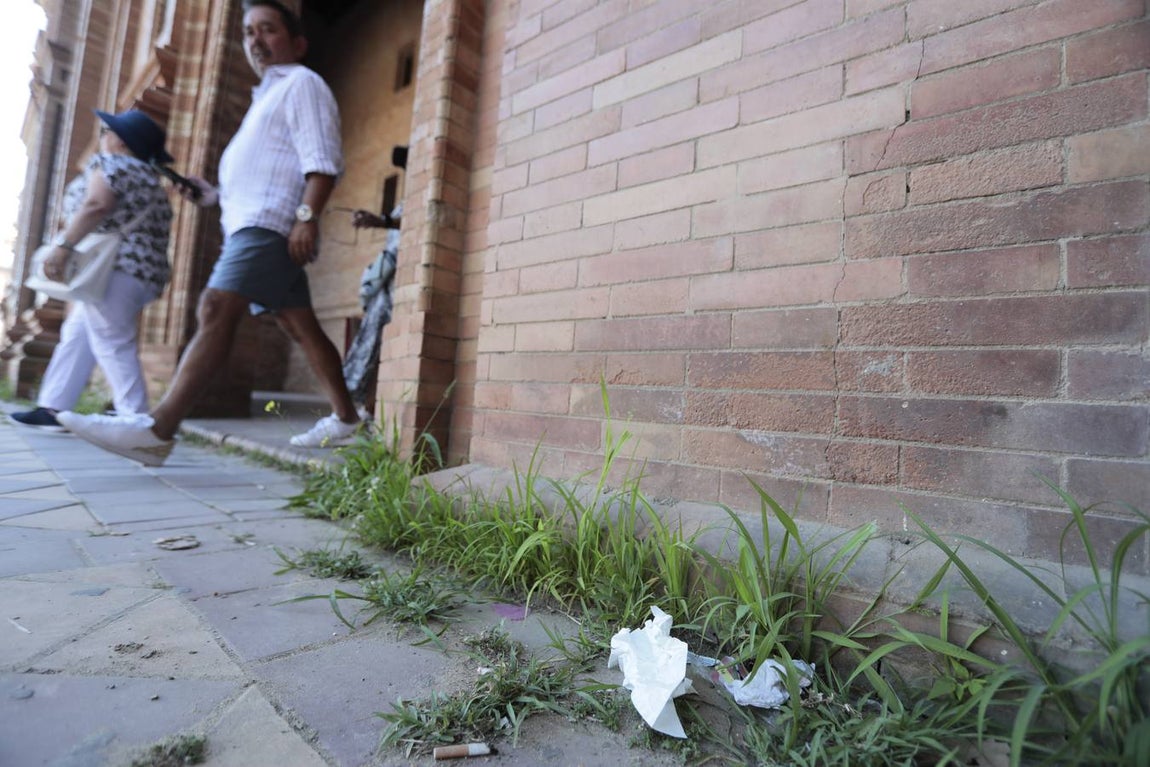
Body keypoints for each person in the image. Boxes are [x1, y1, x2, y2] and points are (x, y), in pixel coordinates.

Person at [58, 0, 363, 465]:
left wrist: (307, 216)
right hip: (252, 218)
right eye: (248, 31)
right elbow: (267, 170)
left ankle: (158, 430)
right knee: (299, 325)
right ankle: (345, 419)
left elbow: (322, 161)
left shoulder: (302, 84)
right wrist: (212, 195)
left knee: (215, 307)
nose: (256, 39)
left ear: (297, 43)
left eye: (268, 30)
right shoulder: (267, 96)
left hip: (268, 224)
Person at [10, 109, 174, 431]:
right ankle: (53, 407)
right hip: (137, 272)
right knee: (77, 334)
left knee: (112, 340)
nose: (101, 136)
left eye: (106, 131)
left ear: (121, 142)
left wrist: (64, 247)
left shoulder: (112, 164)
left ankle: (137, 422)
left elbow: (97, 205)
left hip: (115, 268)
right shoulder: (150, 179)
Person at [344, 144, 406, 410]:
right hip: (386, 287)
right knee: (369, 349)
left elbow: (417, 222)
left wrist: (382, 221)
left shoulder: (421, 198)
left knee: (381, 351)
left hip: (402, 288)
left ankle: (367, 410)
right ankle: (362, 410)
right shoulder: (405, 202)